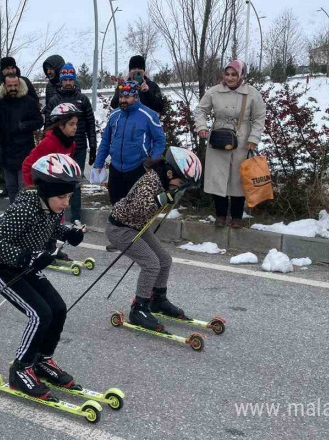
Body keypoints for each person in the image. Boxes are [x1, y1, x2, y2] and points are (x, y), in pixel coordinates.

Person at [0, 153, 85, 399]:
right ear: (46, 190)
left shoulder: (48, 205)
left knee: (58, 308)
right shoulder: (25, 208)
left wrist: (69, 232)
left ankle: (42, 360)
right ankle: (20, 368)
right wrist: (27, 258)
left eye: (69, 197)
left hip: (26, 265)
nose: (66, 203)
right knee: (40, 313)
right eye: (62, 197)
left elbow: (50, 226)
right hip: (1, 266)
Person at [104, 148, 202, 331]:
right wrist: (163, 198)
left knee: (164, 261)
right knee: (151, 264)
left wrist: (169, 195)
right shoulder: (150, 181)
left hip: (138, 226)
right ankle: (139, 309)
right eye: (181, 183)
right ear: (170, 172)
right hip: (121, 229)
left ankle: (157, 300)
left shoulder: (163, 179)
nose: (180, 188)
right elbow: (138, 209)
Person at [193, 59, 267, 229]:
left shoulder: (252, 93)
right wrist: (202, 127)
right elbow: (201, 110)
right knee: (218, 179)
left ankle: (236, 217)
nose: (230, 78)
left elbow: (258, 118)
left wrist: (253, 139)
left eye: (234, 74)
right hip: (218, 139)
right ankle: (220, 215)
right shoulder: (214, 92)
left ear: (241, 75)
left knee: (238, 180)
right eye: (227, 74)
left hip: (242, 141)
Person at [94, 80, 166, 205]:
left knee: (136, 209)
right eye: (121, 96)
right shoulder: (114, 115)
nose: (123, 100)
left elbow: (160, 140)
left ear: (136, 96)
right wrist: (98, 163)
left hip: (138, 169)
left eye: (127, 97)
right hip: (116, 170)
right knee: (116, 209)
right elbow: (106, 141)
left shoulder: (149, 115)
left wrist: (153, 159)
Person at [44, 63, 97, 225]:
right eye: (65, 79)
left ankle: (75, 217)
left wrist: (93, 146)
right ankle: (57, 216)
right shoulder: (54, 100)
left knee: (75, 183)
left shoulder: (83, 100)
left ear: (75, 81)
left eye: (70, 79)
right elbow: (47, 125)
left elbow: (90, 123)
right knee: (59, 183)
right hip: (59, 148)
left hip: (79, 147)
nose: (68, 82)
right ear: (61, 81)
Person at [0, 74, 42, 203]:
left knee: (25, 187)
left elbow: (39, 121)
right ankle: (13, 215)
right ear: (5, 86)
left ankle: (25, 215)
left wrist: (24, 125)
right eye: (10, 86)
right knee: (11, 187)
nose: (13, 88)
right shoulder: (0, 103)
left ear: (20, 85)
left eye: (15, 85)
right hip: (6, 150)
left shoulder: (29, 102)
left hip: (24, 151)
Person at [22, 103, 80, 187]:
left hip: (58, 188)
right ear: (61, 125)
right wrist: (32, 188)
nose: (75, 127)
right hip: (46, 188)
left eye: (76, 124)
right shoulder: (49, 143)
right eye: (71, 124)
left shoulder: (72, 143)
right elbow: (27, 165)